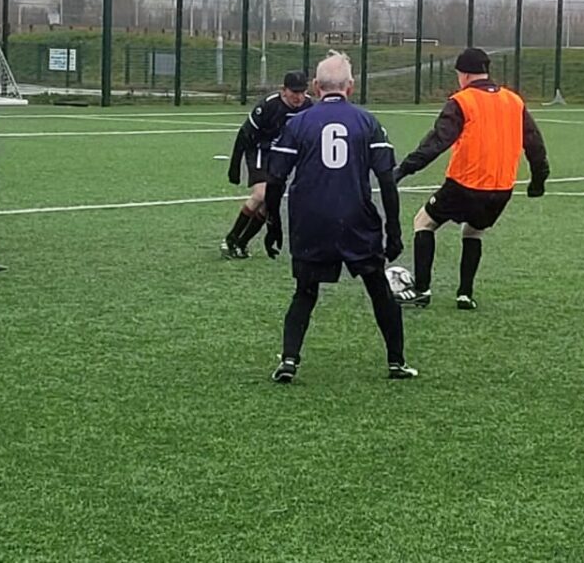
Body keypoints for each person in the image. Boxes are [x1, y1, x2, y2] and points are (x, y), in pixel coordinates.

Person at [262, 51, 416, 383]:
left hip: (311, 221)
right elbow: (387, 179)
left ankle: (289, 361)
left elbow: (274, 180)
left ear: (316, 86)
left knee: (305, 291)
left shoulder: (298, 123)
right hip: (356, 219)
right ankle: (396, 362)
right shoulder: (368, 122)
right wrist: (394, 228)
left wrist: (273, 225)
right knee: (378, 287)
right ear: (351, 86)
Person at [392, 47, 550, 310]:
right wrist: (538, 180)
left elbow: (437, 142)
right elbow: (534, 143)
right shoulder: (514, 101)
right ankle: (465, 294)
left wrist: (403, 170)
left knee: (424, 222)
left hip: (464, 184)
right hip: (500, 190)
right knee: (473, 231)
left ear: (463, 74)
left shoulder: (462, 101)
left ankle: (422, 289)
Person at [222, 71, 313, 259]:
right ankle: (230, 240)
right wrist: (235, 166)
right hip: (259, 151)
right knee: (261, 194)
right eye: (294, 92)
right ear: (283, 90)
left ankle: (241, 243)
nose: (298, 97)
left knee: (269, 204)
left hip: (281, 158)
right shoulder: (269, 105)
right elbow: (244, 134)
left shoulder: (308, 106)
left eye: (302, 92)